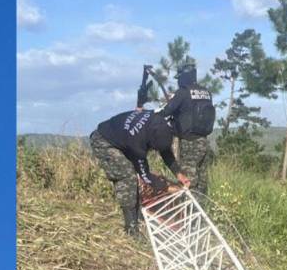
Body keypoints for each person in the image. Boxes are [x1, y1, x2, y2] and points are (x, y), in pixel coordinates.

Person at [90, 109, 190, 236]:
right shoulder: (137, 143)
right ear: (150, 142)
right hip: (103, 141)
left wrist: (179, 174)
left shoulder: (159, 123)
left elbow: (165, 150)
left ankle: (138, 217)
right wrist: (168, 188)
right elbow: (145, 176)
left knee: (131, 176)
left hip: (121, 137)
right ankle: (131, 228)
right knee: (127, 176)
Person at [159, 64, 215, 203]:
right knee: (202, 181)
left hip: (190, 142)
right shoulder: (206, 92)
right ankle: (202, 213)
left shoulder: (183, 92)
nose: (178, 81)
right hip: (204, 141)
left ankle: (189, 214)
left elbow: (166, 111)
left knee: (189, 181)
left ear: (183, 77)